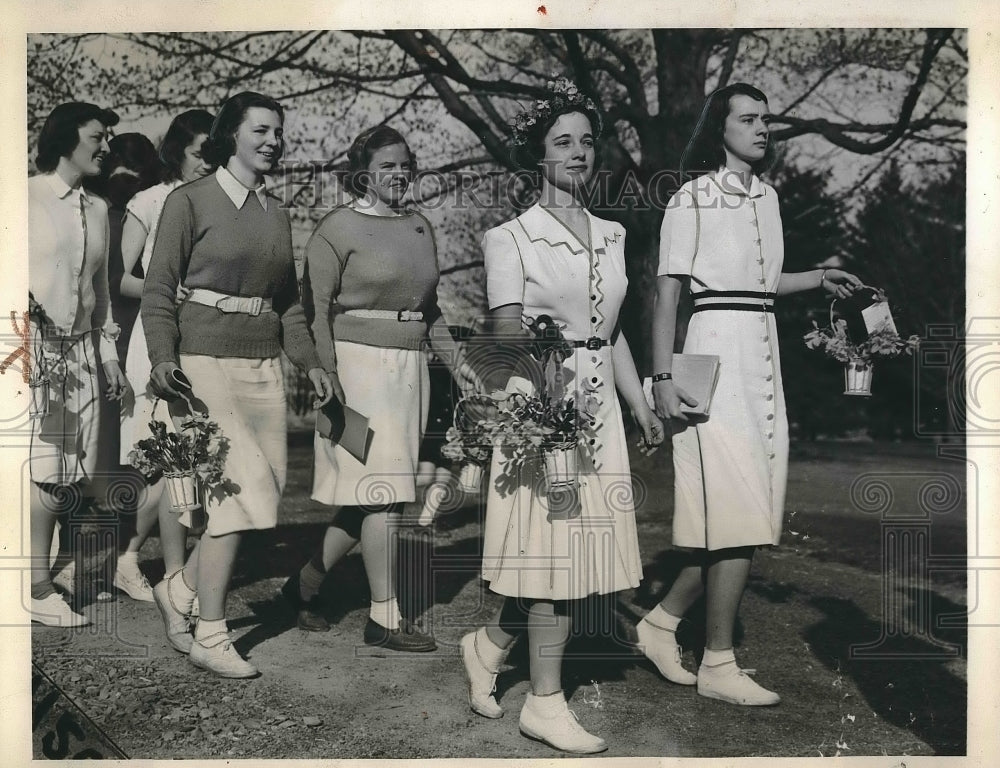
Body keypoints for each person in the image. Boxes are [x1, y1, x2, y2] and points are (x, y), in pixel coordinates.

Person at [638, 83, 863, 706]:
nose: (763, 128)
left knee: (744, 517)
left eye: (767, 118)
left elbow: (759, 284)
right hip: (714, 355)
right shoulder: (692, 198)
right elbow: (668, 295)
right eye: (748, 119)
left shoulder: (767, 197)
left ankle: (658, 626)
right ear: (721, 131)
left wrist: (821, 277)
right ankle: (717, 662)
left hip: (763, 359)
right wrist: (660, 379)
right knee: (736, 516)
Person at [459, 78, 663, 754]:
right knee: (553, 551)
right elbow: (508, 334)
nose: (578, 152)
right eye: (562, 142)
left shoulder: (611, 233)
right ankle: (544, 702)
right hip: (543, 403)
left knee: (573, 550)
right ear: (538, 157)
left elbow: (610, 331)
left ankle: (489, 648)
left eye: (586, 141)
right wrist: (543, 414)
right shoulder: (511, 237)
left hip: (600, 406)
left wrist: (639, 403)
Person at [142, 92, 333, 678]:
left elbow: (287, 306)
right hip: (202, 364)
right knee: (236, 488)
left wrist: (311, 361)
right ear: (231, 135)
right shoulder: (187, 201)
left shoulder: (276, 213)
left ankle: (180, 589)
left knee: (264, 491)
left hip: (262, 366)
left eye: (279, 131)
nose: (273, 140)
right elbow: (157, 292)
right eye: (261, 130)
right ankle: (211, 631)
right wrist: (162, 360)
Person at [282, 125, 478, 651]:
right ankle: (384, 618)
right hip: (357, 370)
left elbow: (428, 309)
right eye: (387, 165)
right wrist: (326, 374)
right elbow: (314, 309)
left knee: (375, 495)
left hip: (410, 370)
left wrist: (459, 365)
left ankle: (304, 585)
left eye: (405, 164)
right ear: (362, 172)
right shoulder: (337, 228)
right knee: (380, 496)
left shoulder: (419, 226)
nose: (399, 173)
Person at [27, 102, 130, 627]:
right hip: (29, 355)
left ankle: (49, 575)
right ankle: (38, 588)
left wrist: (109, 358)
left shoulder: (98, 209)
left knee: (71, 472)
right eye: (98, 136)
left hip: (82, 357)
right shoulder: (23, 194)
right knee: (45, 468)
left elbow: (102, 293)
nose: (106, 147)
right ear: (67, 139)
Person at [115, 110, 214, 603]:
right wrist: (171, 293)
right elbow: (124, 276)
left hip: (204, 339)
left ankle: (168, 569)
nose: (207, 162)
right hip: (156, 339)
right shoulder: (150, 201)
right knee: (162, 459)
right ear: (177, 150)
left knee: (193, 457)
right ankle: (137, 561)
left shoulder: (215, 201)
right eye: (199, 152)